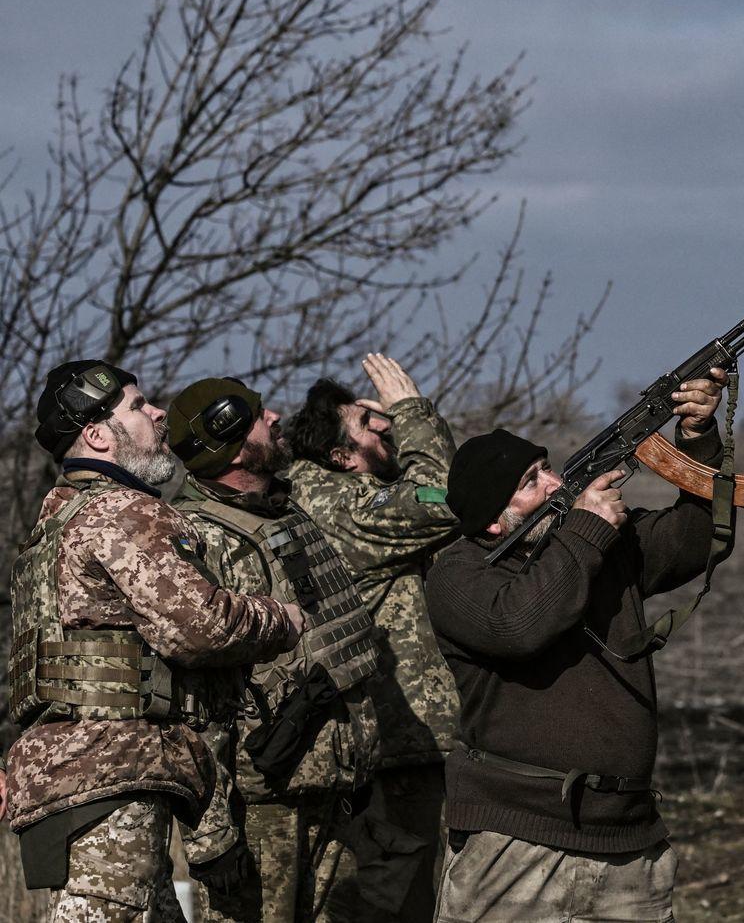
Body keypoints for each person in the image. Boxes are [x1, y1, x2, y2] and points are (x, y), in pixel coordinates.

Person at [426, 367, 730, 922]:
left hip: (627, 841)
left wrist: (697, 438)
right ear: (494, 522)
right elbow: (519, 627)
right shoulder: (459, 574)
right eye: (530, 482)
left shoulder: (599, 545)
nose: (553, 483)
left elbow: (694, 541)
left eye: (545, 469)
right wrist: (587, 531)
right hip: (514, 840)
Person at [4, 360, 303, 922]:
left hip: (74, 775)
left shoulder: (53, 526)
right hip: (114, 771)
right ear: (97, 435)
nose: (158, 412)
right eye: (137, 407)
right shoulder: (122, 511)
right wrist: (280, 620)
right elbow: (202, 627)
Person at [166, 376, 383, 922]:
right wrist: (211, 832)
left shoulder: (282, 512)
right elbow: (188, 701)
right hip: (260, 811)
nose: (277, 418)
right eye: (260, 415)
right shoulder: (199, 537)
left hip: (331, 793)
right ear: (234, 442)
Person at [283, 354, 461, 920]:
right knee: (390, 901)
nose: (383, 424)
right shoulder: (341, 504)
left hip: (391, 741)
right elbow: (444, 496)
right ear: (342, 456)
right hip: (385, 742)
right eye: (368, 423)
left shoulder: (346, 493)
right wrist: (411, 408)